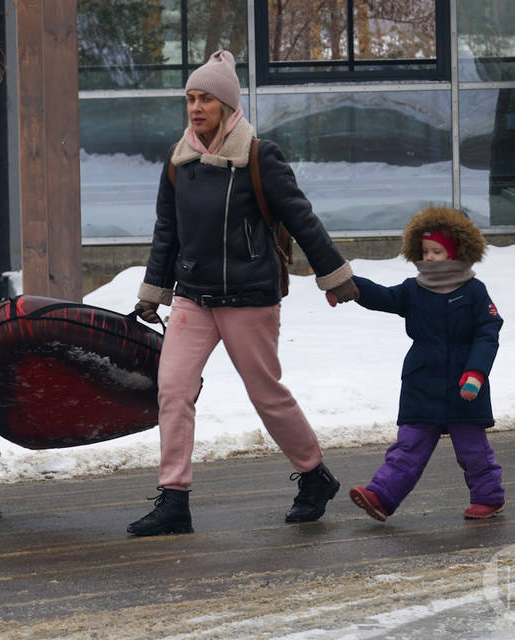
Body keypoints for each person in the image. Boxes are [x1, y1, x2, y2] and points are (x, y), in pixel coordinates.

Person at [128, 50, 360, 536]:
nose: (196, 107)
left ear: (227, 106)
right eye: (190, 98)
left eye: (206, 99)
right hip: (194, 296)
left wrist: (334, 275)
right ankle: (174, 499)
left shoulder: (258, 155)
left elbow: (300, 216)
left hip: (250, 298)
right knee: (173, 390)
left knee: (266, 394)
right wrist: (154, 291)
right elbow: (166, 230)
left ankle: (315, 476)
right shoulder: (179, 162)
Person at [344, 206, 505, 521]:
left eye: (437, 251)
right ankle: (381, 496)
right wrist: (349, 285)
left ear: (456, 252)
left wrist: (475, 373)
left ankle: (489, 497)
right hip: (423, 380)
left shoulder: (473, 290)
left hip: (465, 383)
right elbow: (383, 297)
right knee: (409, 446)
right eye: (425, 251)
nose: (428, 257)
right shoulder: (414, 289)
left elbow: (488, 332)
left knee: (472, 450)